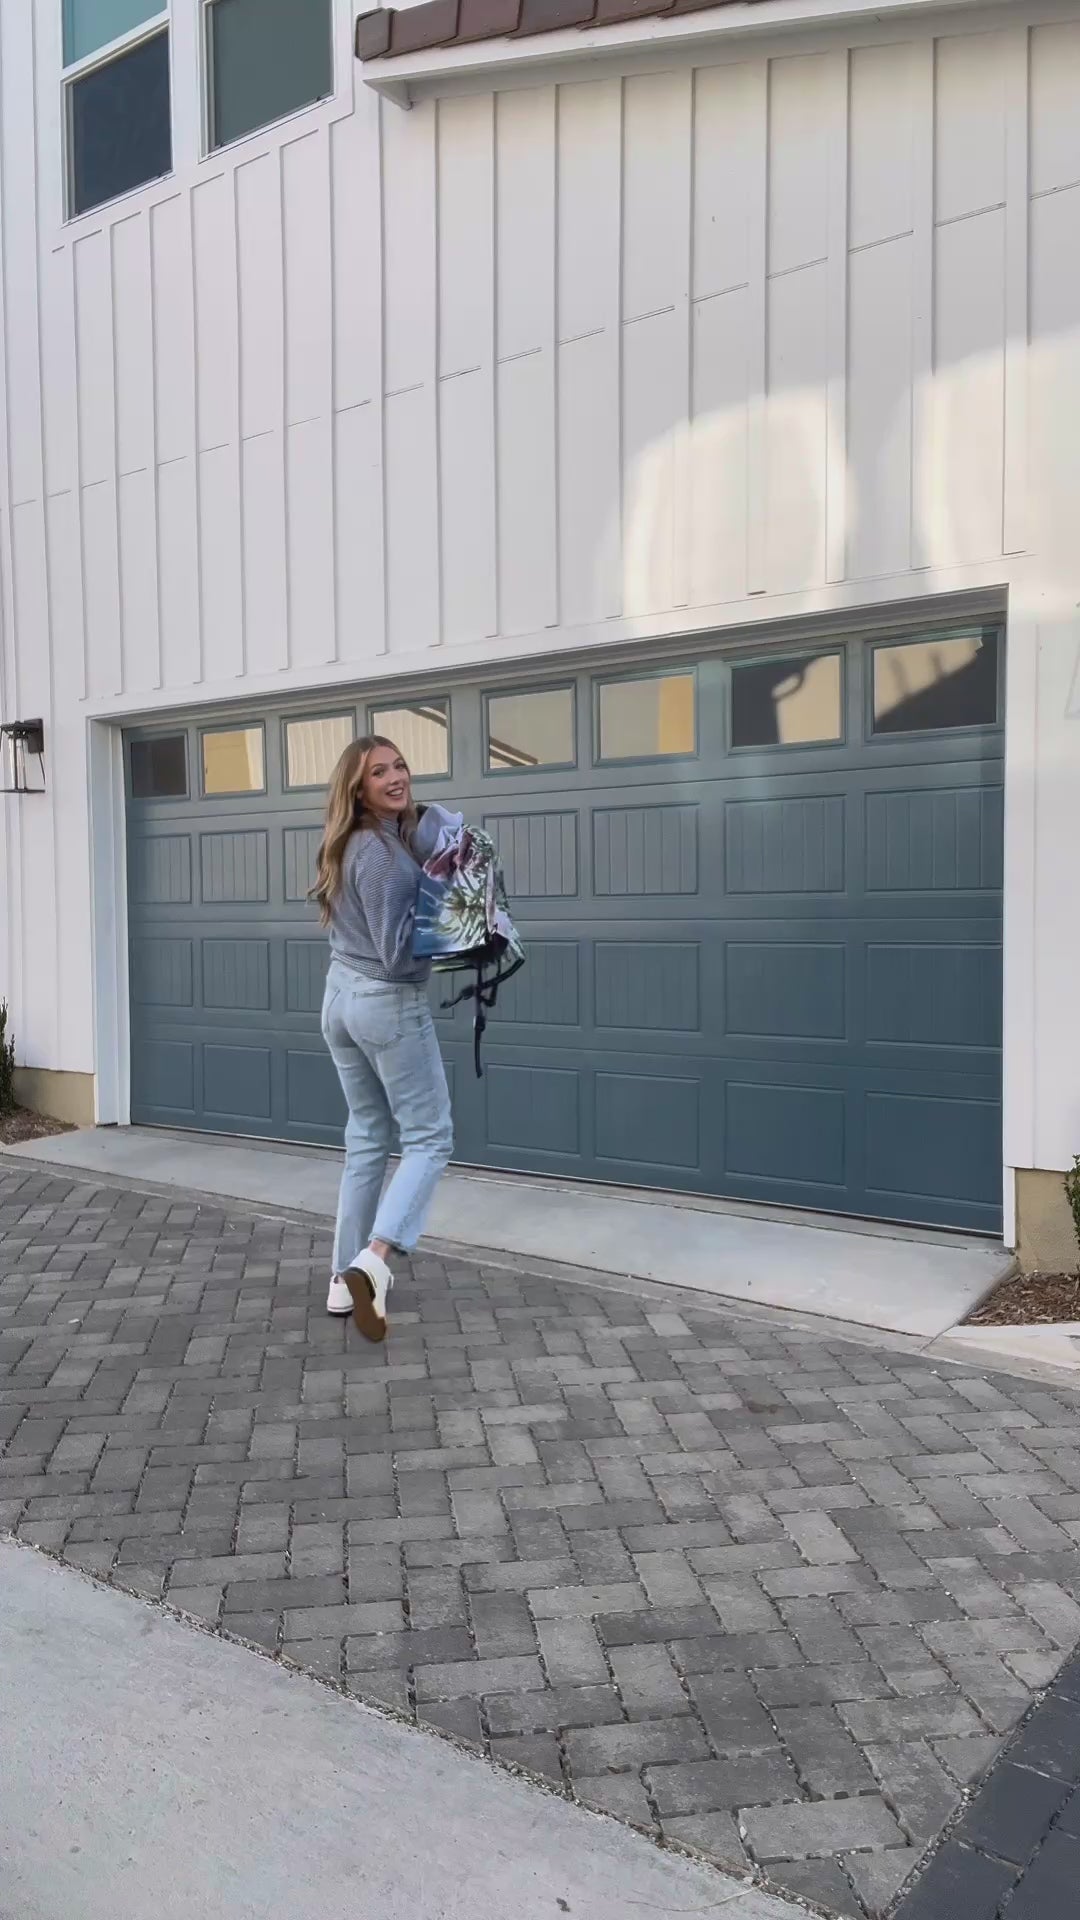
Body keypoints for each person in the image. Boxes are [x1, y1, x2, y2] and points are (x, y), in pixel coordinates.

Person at [310, 736, 453, 1343]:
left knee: (368, 1135)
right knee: (429, 1137)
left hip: (341, 998)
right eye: (378, 772)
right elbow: (398, 957)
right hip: (385, 1003)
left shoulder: (353, 844)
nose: (396, 777)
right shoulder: (384, 858)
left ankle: (344, 1282)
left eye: (399, 764)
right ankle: (374, 1259)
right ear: (357, 788)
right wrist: (451, 920)